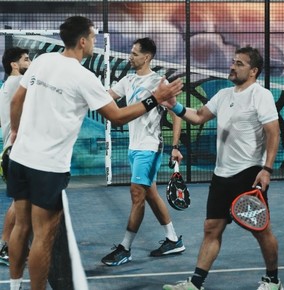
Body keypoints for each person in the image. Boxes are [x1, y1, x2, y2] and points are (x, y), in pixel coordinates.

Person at [6, 16, 182, 290]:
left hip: (19, 159)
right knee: (42, 236)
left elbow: (18, 99)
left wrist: (15, 133)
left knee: (21, 228)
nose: (96, 40)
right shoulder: (84, 77)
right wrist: (154, 99)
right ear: (83, 41)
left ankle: (14, 286)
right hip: (48, 167)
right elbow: (118, 117)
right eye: (94, 35)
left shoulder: (42, 61)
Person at [163, 46, 283, 290]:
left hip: (249, 173)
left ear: (253, 71)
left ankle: (272, 280)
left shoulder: (260, 95)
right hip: (221, 175)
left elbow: (273, 133)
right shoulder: (224, 95)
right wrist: (174, 106)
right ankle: (195, 283)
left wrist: (267, 169)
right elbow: (198, 116)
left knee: (260, 230)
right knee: (211, 228)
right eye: (233, 61)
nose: (232, 66)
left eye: (239, 63)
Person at [101, 38, 185, 266]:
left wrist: (175, 146)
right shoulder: (127, 80)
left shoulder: (160, 82)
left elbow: (177, 112)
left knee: (137, 194)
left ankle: (125, 248)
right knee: (150, 194)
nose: (130, 56)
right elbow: (105, 98)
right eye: (131, 53)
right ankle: (173, 239)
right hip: (134, 147)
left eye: (135, 53)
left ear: (146, 57)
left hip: (150, 147)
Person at [0, 47, 31, 267]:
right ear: (14, 64)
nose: (30, 62)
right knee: (19, 203)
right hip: (16, 152)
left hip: (13, 151)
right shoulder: (15, 84)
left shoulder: (7, 86)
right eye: (26, 59)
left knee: (22, 202)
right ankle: (5, 245)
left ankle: (13, 244)